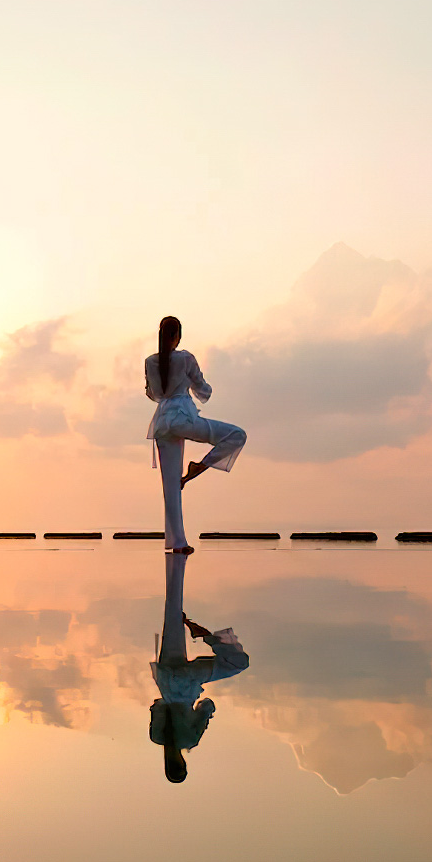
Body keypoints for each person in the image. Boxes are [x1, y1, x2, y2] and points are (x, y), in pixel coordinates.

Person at [146, 316, 246, 554]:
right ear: (178, 335)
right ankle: (199, 467)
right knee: (236, 435)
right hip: (183, 418)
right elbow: (203, 389)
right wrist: (197, 386)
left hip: (162, 423)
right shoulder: (185, 358)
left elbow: (153, 394)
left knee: (170, 486)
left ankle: (177, 543)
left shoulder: (150, 361)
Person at [149, 552, 249, 783]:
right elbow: (157, 705)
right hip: (166, 678)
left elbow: (207, 706)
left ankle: (202, 634)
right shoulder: (157, 738)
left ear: (182, 764)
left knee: (239, 664)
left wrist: (203, 707)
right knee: (171, 618)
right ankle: (176, 561)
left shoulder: (189, 741)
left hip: (188, 684)